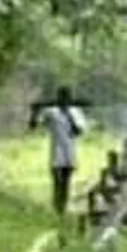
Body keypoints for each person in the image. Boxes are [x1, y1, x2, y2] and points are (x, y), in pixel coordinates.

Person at [29, 86, 87, 214]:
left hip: (69, 153)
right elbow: (34, 125)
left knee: (66, 182)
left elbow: (78, 131)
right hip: (56, 153)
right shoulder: (51, 112)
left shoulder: (76, 112)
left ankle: (62, 207)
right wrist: (35, 112)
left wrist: (69, 115)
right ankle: (56, 206)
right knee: (57, 181)